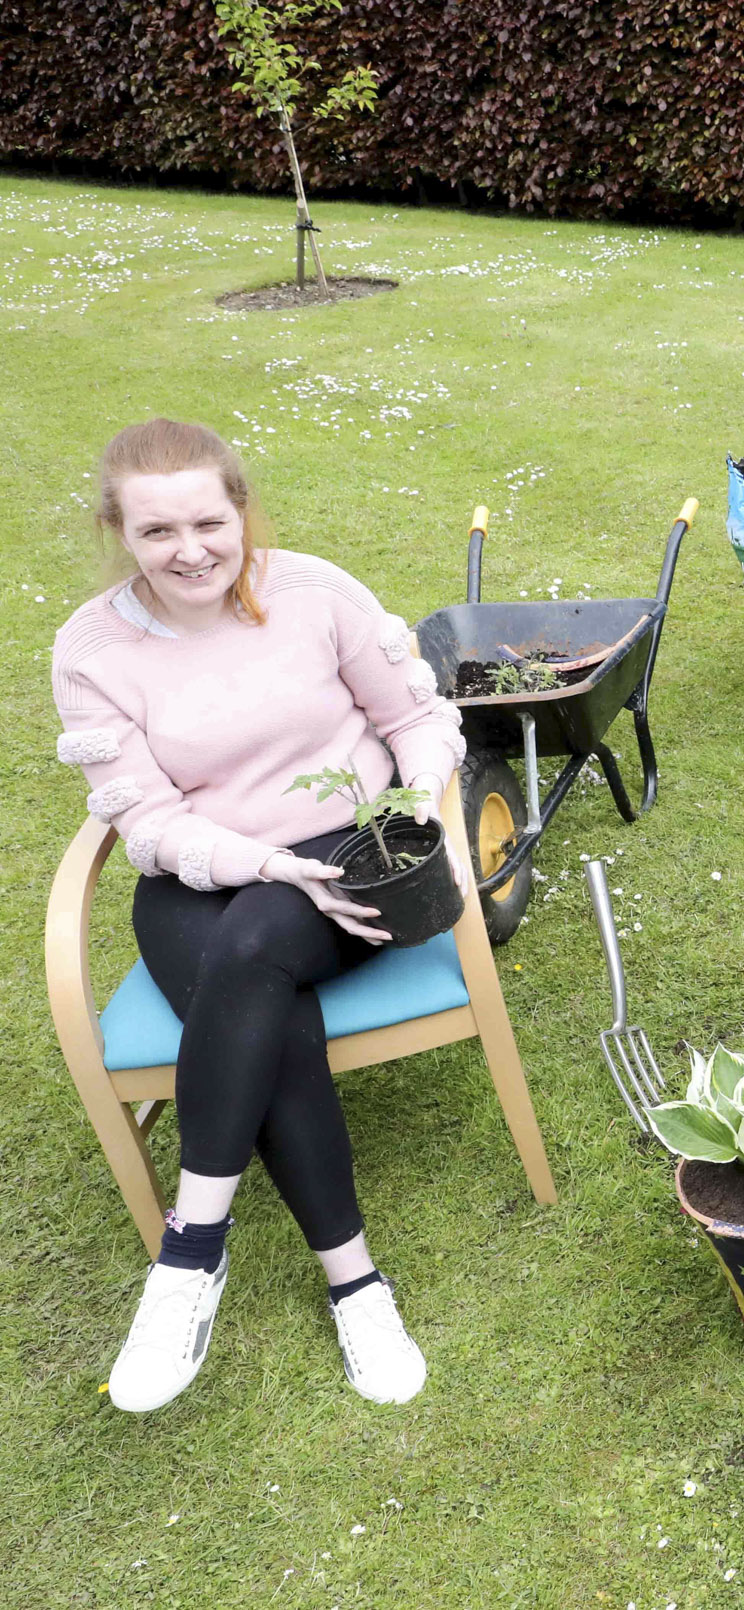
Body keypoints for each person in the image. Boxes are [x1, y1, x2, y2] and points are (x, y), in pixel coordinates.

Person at [54, 419, 466, 1412]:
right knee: (259, 984)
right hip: (202, 878)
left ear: (242, 511)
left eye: (208, 519)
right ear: (120, 532)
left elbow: (415, 717)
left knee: (252, 947)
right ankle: (355, 1285)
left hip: (349, 859)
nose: (189, 548)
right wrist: (263, 861)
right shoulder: (90, 649)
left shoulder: (315, 591)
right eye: (158, 532)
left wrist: (413, 805)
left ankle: (189, 1256)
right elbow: (148, 820)